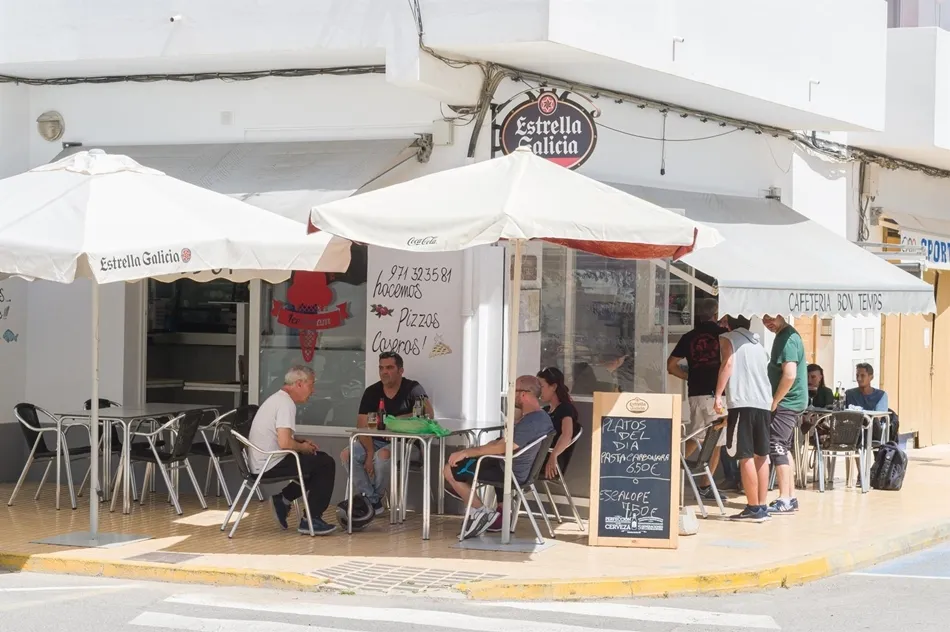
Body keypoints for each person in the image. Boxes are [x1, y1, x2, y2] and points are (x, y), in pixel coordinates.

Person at [444, 375, 554, 539]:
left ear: (523, 394)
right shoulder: (539, 417)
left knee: (450, 469)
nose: (510, 395)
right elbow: (505, 442)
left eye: (513, 391)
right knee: (473, 459)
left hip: (509, 471)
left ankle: (483, 513)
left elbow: (503, 447)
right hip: (514, 468)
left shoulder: (532, 422)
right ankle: (482, 513)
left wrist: (466, 452)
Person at [247, 365, 337, 535]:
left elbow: (282, 438)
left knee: (317, 461)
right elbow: (284, 443)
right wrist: (302, 447)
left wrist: (299, 442)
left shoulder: (278, 399)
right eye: (311, 385)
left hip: (263, 461)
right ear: (299, 384)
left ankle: (283, 500)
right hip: (269, 464)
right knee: (325, 464)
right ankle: (312, 519)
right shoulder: (286, 403)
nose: (313, 391)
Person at [341, 351, 431, 515]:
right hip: (374, 442)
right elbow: (361, 425)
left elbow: (428, 415)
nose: (384, 372)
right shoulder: (372, 391)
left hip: (407, 444)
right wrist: (368, 452)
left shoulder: (413, 388)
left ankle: (369, 502)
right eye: (381, 368)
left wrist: (395, 421)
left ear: (400, 370)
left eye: (389, 368)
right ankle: (372, 500)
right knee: (348, 454)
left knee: (382, 456)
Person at [667, 298, 728, 499]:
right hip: (717, 395)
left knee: (695, 434)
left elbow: (671, 365)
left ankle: (668, 467)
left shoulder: (689, 336)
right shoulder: (724, 336)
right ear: (716, 313)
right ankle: (705, 486)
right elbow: (729, 365)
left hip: (695, 393)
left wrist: (689, 375)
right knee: (715, 441)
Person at [715, 316, 773, 522]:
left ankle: (753, 508)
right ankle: (762, 505)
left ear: (729, 323)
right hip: (764, 402)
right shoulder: (759, 344)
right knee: (761, 455)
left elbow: (728, 364)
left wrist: (718, 394)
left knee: (745, 455)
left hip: (742, 402)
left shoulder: (728, 338)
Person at [763, 314, 808, 516]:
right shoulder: (788, 335)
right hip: (792, 402)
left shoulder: (787, 338)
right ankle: (790, 495)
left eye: (771, 317)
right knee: (784, 446)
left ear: (781, 314)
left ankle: (785, 498)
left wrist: (775, 401)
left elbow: (789, 374)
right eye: (764, 319)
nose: (767, 322)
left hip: (786, 402)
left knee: (776, 445)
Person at [537, 367, 580, 481]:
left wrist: (554, 455)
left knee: (505, 466)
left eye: (541, 387)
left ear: (554, 386)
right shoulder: (545, 410)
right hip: (538, 455)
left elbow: (567, 435)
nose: (538, 391)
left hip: (550, 458)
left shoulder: (565, 409)